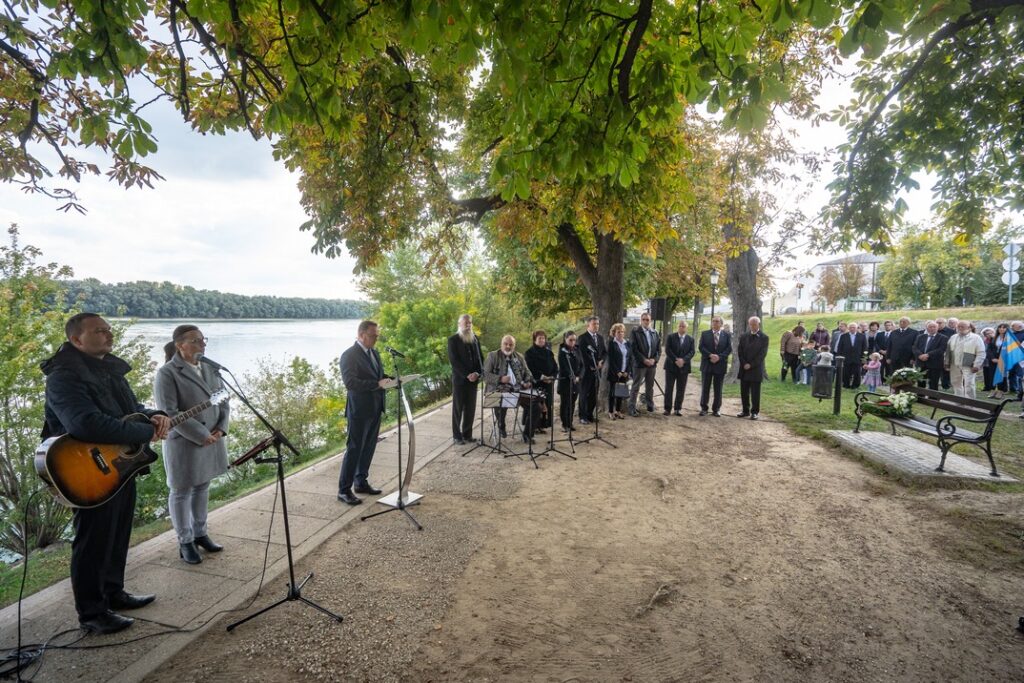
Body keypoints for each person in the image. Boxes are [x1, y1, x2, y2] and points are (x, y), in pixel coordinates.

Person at [41, 313, 170, 634]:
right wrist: (143, 433)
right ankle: (92, 613)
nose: (108, 335)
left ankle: (113, 593)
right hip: (85, 470)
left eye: (109, 330)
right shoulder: (63, 376)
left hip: (119, 466)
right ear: (76, 340)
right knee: (93, 540)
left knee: (117, 532)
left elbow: (129, 409)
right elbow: (84, 423)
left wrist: (156, 415)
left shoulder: (109, 370)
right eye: (99, 331)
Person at [153, 325, 230, 565]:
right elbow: (169, 412)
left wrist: (221, 427)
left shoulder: (210, 367)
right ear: (180, 345)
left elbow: (224, 398)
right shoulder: (167, 373)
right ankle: (185, 541)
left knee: (202, 487)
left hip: (213, 436)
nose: (202, 344)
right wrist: (200, 434)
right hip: (185, 442)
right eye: (196, 341)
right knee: (181, 490)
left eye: (203, 340)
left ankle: (201, 533)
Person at [337, 320, 388, 506]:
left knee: (368, 448)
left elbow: (378, 376)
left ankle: (360, 482)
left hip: (375, 408)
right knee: (354, 449)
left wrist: (390, 380)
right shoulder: (349, 355)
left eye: (377, 335)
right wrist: (376, 384)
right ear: (361, 334)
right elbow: (351, 383)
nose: (376, 338)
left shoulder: (374, 353)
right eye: (373, 335)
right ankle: (343, 490)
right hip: (359, 410)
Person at [484, 335, 540, 443]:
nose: (508, 346)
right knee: (502, 402)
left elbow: (528, 372)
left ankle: (528, 435)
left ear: (514, 346)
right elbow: (485, 375)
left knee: (536, 407)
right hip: (499, 391)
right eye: (506, 344)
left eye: (511, 344)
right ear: (501, 344)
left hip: (518, 391)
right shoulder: (492, 356)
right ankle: (501, 424)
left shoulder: (519, 357)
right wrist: (500, 378)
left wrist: (528, 381)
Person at [447, 314, 484, 445]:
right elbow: (454, 362)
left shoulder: (475, 339)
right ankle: (457, 436)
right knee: (458, 409)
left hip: (474, 381)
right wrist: (468, 374)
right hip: (460, 381)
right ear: (459, 324)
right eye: (465, 323)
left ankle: (467, 435)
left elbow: (481, 359)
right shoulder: (453, 340)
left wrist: (477, 373)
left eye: (470, 323)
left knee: (470, 408)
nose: (468, 325)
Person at [628, 312, 661, 416]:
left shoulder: (655, 332)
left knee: (650, 386)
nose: (646, 321)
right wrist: (643, 359)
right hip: (640, 364)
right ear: (641, 321)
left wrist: (654, 360)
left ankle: (650, 405)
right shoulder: (635, 331)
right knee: (636, 386)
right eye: (644, 319)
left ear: (650, 320)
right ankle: (631, 408)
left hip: (651, 365)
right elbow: (633, 348)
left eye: (648, 319)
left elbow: (658, 350)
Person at [736, 316, 769, 420]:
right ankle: (745, 410)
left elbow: (762, 354)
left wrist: (751, 364)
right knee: (744, 391)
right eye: (751, 324)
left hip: (755, 369)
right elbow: (739, 351)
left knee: (755, 392)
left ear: (758, 324)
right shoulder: (743, 336)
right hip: (744, 368)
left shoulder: (764, 337)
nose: (752, 326)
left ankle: (754, 412)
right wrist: (744, 363)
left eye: (754, 324)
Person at [524, 330, 557, 432]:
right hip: (536, 382)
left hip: (548, 383)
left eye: (543, 338)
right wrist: (542, 377)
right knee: (537, 405)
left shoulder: (549, 352)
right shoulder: (529, 353)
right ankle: (534, 426)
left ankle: (543, 425)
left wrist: (552, 377)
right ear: (534, 340)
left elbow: (555, 367)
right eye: (540, 338)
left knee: (547, 404)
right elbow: (530, 368)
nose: (542, 340)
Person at [698, 315, 731, 416]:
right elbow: (701, 347)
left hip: (720, 365)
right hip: (707, 364)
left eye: (717, 321)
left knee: (718, 388)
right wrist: (710, 355)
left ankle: (716, 409)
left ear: (721, 324)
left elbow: (729, 349)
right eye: (713, 321)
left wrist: (719, 357)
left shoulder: (727, 335)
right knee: (705, 387)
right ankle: (704, 408)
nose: (715, 323)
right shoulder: (705, 334)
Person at [577, 316, 606, 425]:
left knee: (594, 394)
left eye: (597, 324)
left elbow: (604, 352)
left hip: (597, 371)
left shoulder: (600, 338)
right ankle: (582, 416)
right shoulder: (582, 338)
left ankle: (590, 414)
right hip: (586, 370)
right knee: (584, 394)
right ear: (588, 325)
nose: (596, 326)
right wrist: (592, 364)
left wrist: (601, 362)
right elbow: (582, 355)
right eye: (594, 324)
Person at [945, 320, 986, 398]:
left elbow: (981, 353)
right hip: (954, 364)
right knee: (955, 382)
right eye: (959, 327)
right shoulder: (953, 337)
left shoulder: (976, 338)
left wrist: (977, 365)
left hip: (969, 364)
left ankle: (970, 401)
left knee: (969, 384)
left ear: (969, 328)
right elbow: (948, 351)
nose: (960, 328)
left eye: (962, 327)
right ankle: (959, 399)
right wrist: (946, 362)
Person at [662, 320, 694, 415]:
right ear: (677, 327)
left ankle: (677, 409)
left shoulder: (690, 339)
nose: (681, 327)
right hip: (671, 366)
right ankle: (667, 409)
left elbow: (692, 352)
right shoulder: (671, 337)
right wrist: (676, 360)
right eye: (680, 326)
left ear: (686, 328)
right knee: (669, 388)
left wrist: (683, 360)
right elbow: (668, 350)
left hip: (684, 367)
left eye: (683, 326)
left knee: (681, 389)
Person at [606, 323, 633, 419]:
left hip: (624, 373)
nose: (621, 333)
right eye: (618, 332)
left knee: (620, 393)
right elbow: (611, 360)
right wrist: (617, 371)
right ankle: (610, 411)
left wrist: (627, 371)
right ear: (614, 333)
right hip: (614, 373)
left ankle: (618, 411)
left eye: (622, 332)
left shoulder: (627, 343)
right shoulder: (611, 344)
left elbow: (630, 358)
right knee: (612, 393)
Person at [557, 331, 583, 432]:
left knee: (572, 403)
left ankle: (570, 423)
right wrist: (571, 376)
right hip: (566, 381)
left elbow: (582, 365)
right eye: (570, 340)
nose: (573, 342)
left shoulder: (577, 349)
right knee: (565, 403)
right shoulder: (562, 350)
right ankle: (565, 424)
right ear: (565, 339)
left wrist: (579, 376)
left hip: (576, 381)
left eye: (574, 340)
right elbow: (564, 366)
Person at [912, 320, 948, 390]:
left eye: (934, 327)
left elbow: (941, 349)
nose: (932, 328)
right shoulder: (920, 337)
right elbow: (914, 347)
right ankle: (921, 399)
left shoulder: (943, 338)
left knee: (933, 384)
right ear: (927, 328)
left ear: (937, 328)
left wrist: (927, 355)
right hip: (921, 363)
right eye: (930, 327)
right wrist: (920, 355)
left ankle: (933, 400)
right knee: (920, 383)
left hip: (934, 364)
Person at [836, 320, 867, 389]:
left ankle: (855, 386)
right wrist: (839, 356)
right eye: (851, 327)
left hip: (857, 357)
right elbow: (840, 347)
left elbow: (865, 348)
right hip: (846, 357)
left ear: (857, 328)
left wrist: (864, 358)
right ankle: (846, 385)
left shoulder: (862, 336)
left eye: (854, 327)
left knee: (857, 373)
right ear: (848, 328)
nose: (852, 329)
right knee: (846, 372)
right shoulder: (843, 336)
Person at [987, 323, 1011, 398]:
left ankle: (1001, 391)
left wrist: (1001, 359)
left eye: (1004, 328)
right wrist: (992, 358)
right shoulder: (993, 338)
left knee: (1002, 375)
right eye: (1000, 327)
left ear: (1007, 329)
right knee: (992, 375)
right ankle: (992, 390)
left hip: (1003, 360)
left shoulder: (1009, 339)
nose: (1001, 329)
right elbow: (989, 350)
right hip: (993, 360)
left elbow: (1009, 351)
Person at [937, 317, 956, 390]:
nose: (938, 324)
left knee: (945, 371)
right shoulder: (934, 330)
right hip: (935, 354)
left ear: (945, 323)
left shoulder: (951, 331)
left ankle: (945, 386)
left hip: (946, 354)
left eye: (940, 323)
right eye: (937, 323)